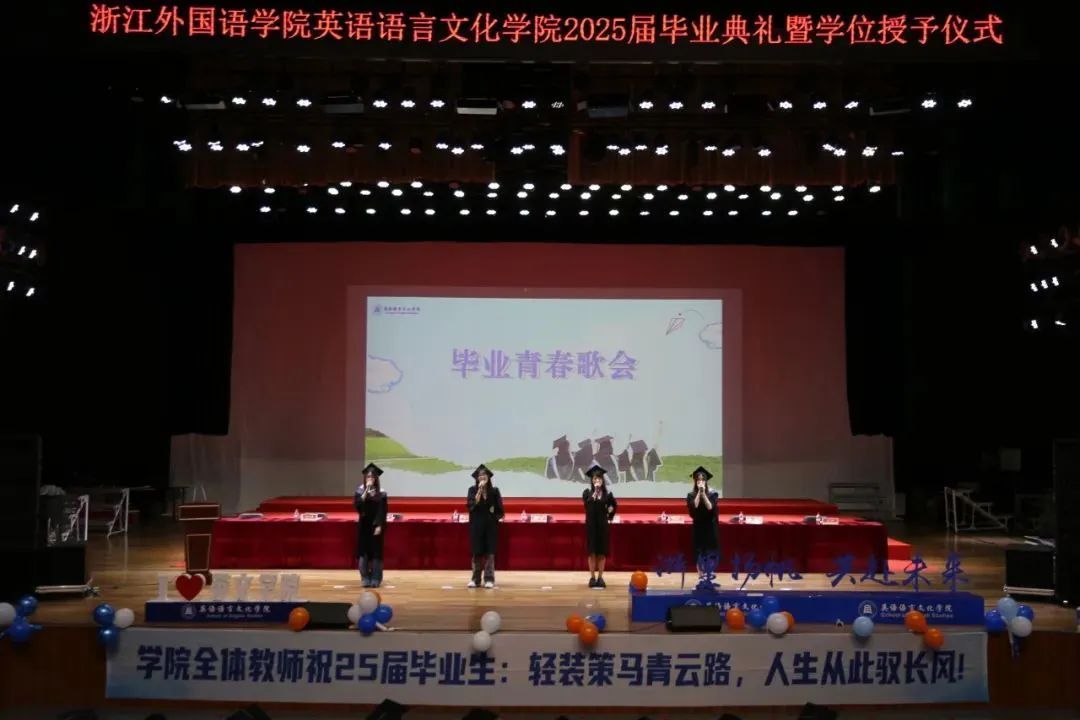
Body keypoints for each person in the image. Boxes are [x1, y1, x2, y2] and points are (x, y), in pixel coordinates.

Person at [466, 464, 504, 589]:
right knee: (477, 553)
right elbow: (471, 505)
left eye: (484, 475)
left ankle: (489, 579)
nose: (482, 477)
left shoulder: (494, 491)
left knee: (490, 553)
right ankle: (475, 579)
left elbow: (500, 510)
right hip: (477, 525)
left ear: (488, 477)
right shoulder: (472, 490)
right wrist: (479, 490)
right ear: (477, 478)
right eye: (480, 476)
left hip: (490, 526)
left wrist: (495, 518)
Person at [583, 464, 617, 588]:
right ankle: (592, 577)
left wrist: (610, 510)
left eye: (599, 478)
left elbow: (612, 507)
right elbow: (587, 505)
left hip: (602, 527)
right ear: (592, 481)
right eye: (595, 479)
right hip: (591, 527)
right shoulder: (587, 493)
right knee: (592, 553)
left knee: (601, 553)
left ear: (602, 480)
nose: (597, 481)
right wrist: (595, 493)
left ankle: (600, 577)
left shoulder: (607, 495)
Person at [355, 463, 389, 588]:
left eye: (372, 477)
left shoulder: (381, 493)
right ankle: (365, 577)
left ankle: (376, 578)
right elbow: (358, 506)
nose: (370, 479)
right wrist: (366, 491)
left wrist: (379, 525)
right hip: (364, 526)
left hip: (376, 526)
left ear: (376, 479)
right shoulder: (360, 491)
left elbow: (382, 511)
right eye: (368, 477)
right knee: (363, 553)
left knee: (376, 553)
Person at [686, 466, 720, 575]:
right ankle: (700, 573)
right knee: (699, 550)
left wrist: (703, 494)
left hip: (710, 526)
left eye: (702, 480)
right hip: (698, 526)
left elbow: (710, 507)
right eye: (698, 480)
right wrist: (699, 493)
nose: (700, 482)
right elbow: (694, 506)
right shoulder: (691, 495)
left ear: (706, 481)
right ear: (695, 482)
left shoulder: (712, 494)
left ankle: (709, 572)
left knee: (710, 550)